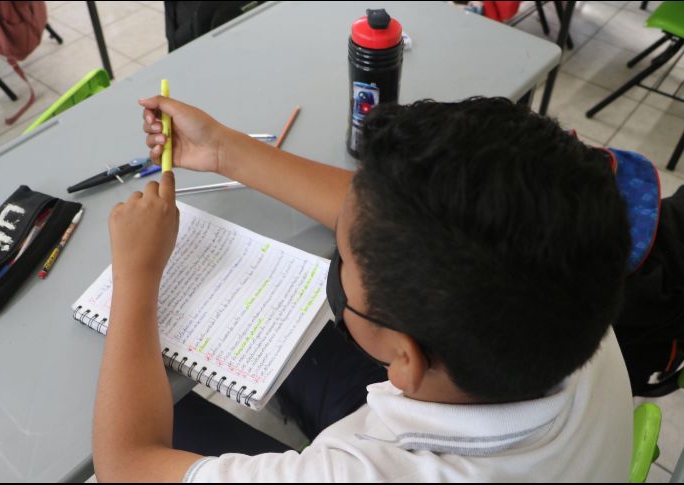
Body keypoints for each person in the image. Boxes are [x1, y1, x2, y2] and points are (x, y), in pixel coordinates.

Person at [93, 96, 634, 482]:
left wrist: (137, 275)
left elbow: (124, 466)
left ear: (403, 359)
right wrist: (223, 150)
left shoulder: (358, 474)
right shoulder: (565, 279)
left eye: (344, 261)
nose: (340, 254)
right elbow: (382, 216)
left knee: (176, 410)